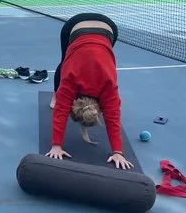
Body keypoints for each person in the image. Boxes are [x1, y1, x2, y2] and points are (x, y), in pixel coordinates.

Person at [46, 13, 133, 170]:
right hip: (76, 27)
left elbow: (113, 116)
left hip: (108, 29)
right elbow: (61, 111)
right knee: (66, 61)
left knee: (71, 60)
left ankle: (55, 95)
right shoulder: (69, 83)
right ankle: (55, 94)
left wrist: (118, 152)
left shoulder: (108, 88)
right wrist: (56, 146)